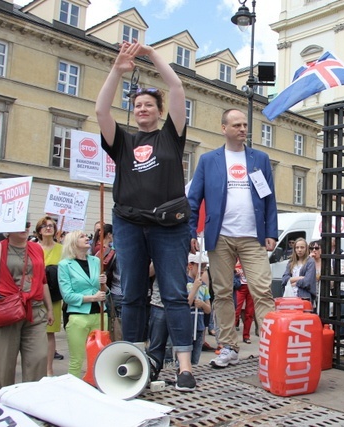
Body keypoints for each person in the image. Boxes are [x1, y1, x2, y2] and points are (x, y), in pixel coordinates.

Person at [96, 39, 195, 391]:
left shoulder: (172, 136)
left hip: (169, 228)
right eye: (137, 105)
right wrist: (117, 69)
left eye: (149, 105)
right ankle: (137, 361)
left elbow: (177, 86)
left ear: (158, 110)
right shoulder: (122, 141)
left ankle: (184, 367)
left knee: (172, 294)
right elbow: (101, 112)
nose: (142, 110)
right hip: (129, 224)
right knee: (133, 293)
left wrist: (151, 55)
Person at [188, 108, 278, 369]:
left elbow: (269, 198)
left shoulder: (259, 159)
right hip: (221, 236)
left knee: (262, 290)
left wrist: (271, 232)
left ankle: (271, 345)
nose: (242, 129)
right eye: (236, 125)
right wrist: (191, 231)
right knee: (224, 293)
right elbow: (194, 199)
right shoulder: (208, 160)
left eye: (245, 125)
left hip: (253, 236)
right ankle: (228, 346)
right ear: (223, 128)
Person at [0, 222, 54, 391]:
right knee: (4, 363)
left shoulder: (36, 248)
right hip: (8, 311)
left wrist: (49, 308)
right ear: (8, 228)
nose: (25, 227)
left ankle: (31, 403)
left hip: (34, 310)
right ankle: (5, 400)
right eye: (19, 224)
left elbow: (42, 281)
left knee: (39, 358)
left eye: (27, 224)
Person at [57, 230, 107, 378]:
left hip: (100, 314)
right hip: (78, 316)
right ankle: (74, 389)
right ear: (73, 242)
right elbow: (67, 295)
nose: (87, 238)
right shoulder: (65, 265)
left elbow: (103, 290)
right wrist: (92, 298)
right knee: (76, 359)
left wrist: (104, 285)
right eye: (82, 236)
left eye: (87, 236)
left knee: (99, 357)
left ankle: (97, 385)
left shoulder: (96, 261)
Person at [35, 216, 65, 377]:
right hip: (34, 294)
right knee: (33, 332)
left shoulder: (61, 249)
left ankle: (48, 369)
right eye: (44, 226)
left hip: (53, 296)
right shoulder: (33, 247)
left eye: (51, 226)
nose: (48, 228)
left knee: (49, 332)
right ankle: (35, 367)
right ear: (39, 230)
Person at [281, 238, 316, 303]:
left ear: (306, 249)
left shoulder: (310, 261)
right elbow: (284, 279)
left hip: (303, 297)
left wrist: (295, 283)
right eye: (297, 247)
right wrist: (300, 278)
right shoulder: (291, 262)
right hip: (289, 295)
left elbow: (307, 282)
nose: (299, 250)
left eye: (302, 247)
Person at [234, 260, 255, 344]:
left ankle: (246, 336)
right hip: (240, 287)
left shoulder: (252, 258)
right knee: (236, 311)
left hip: (251, 287)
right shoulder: (235, 258)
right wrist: (235, 270)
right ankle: (232, 336)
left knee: (249, 313)